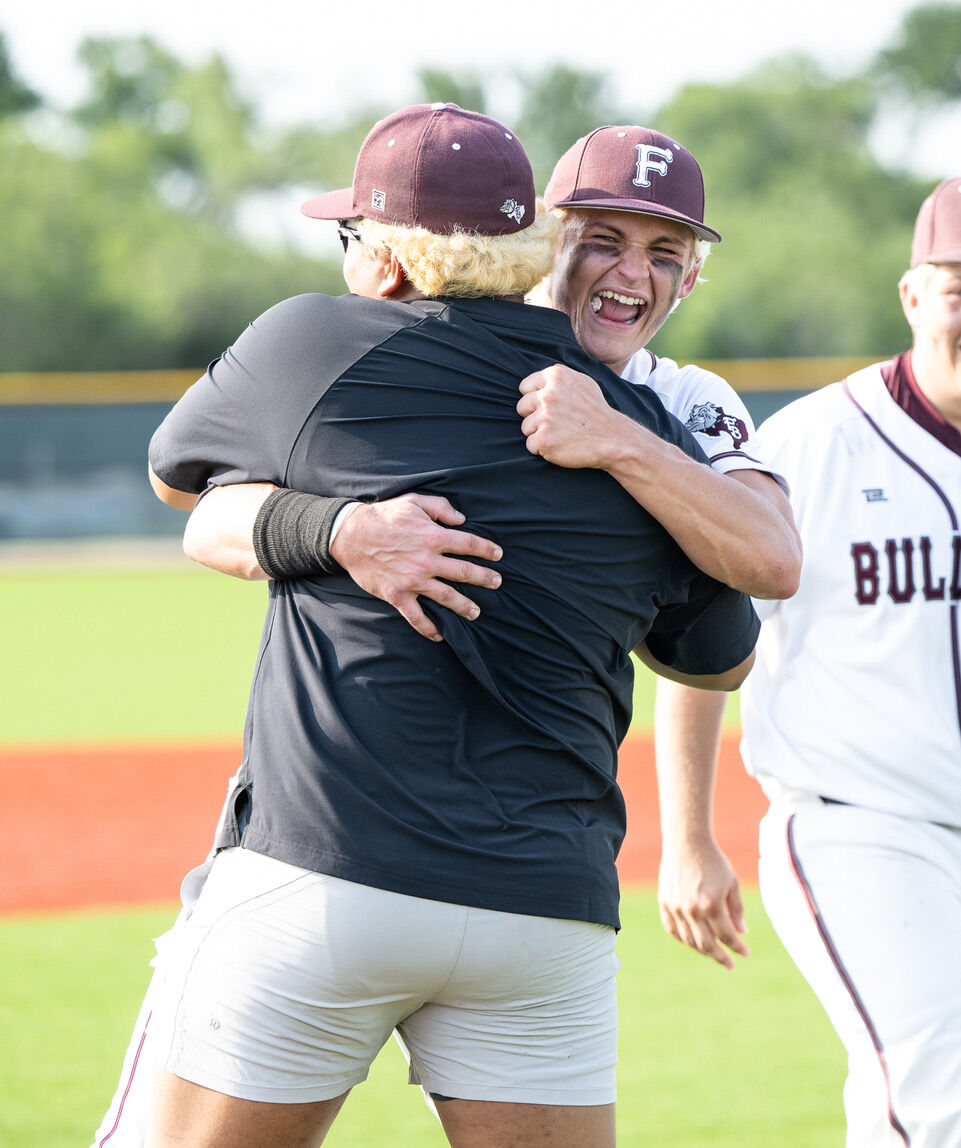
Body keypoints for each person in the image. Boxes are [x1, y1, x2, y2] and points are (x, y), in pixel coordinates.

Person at [95, 103, 758, 1148]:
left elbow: (178, 481)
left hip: (325, 876)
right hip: (544, 915)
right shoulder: (646, 430)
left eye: (353, 234)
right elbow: (718, 655)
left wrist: (336, 527)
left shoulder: (313, 344)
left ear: (391, 258)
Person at [666, 177, 961, 1145]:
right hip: (864, 828)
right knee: (941, 1095)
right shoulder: (814, 445)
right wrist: (688, 837)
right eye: (956, 283)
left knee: (897, 1107)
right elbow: (702, 640)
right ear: (911, 294)